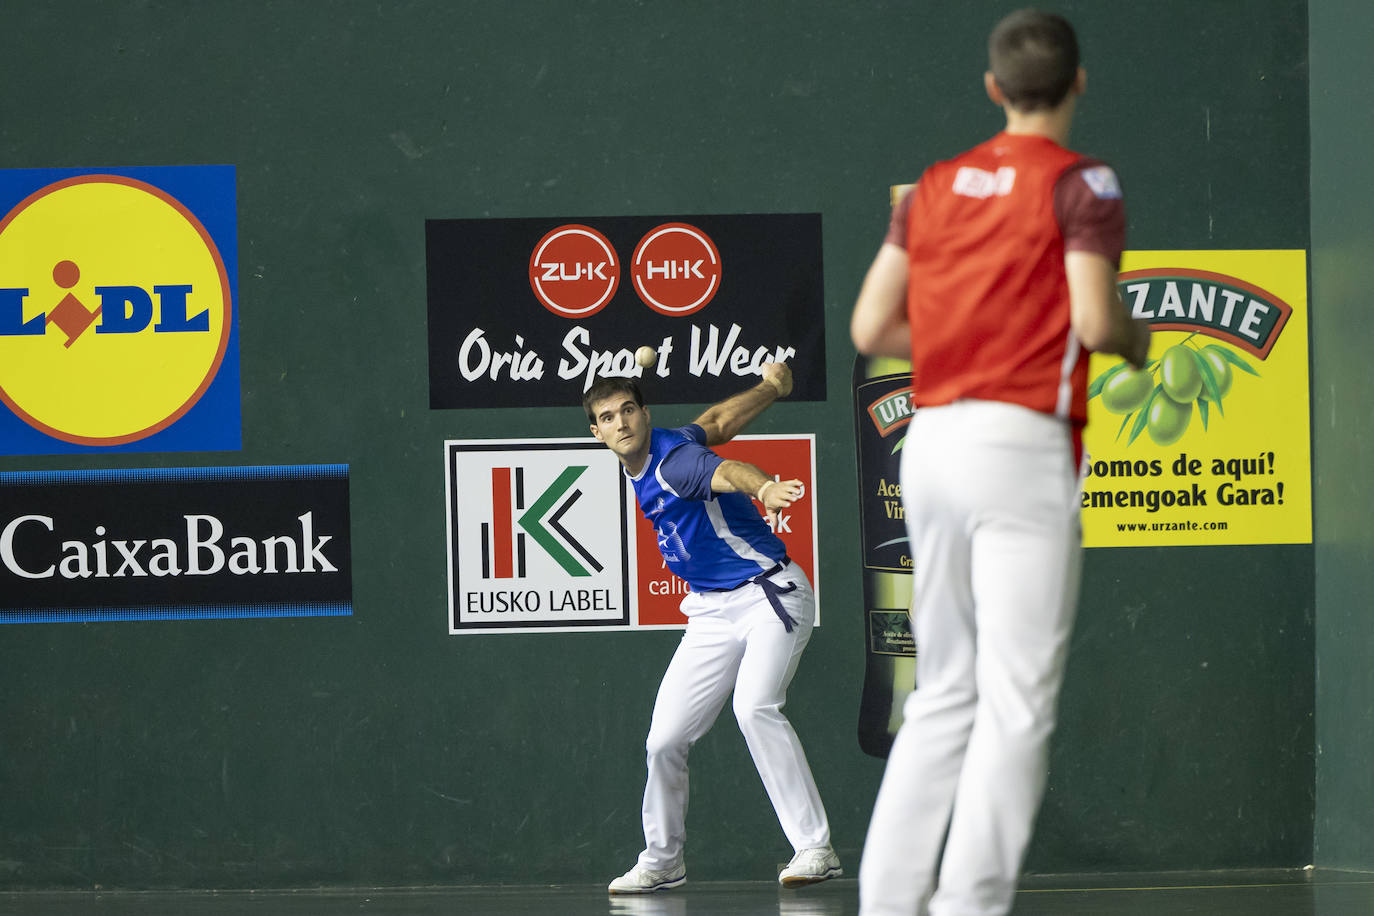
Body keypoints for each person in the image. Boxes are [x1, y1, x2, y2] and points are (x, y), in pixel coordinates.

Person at [848, 9, 1151, 916]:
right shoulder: (1084, 183)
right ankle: (969, 907)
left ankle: (888, 902)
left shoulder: (932, 188)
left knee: (942, 692)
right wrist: (1135, 341)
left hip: (931, 444)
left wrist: (952, 348)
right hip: (1022, 449)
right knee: (1016, 703)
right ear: (1080, 83)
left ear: (994, 90)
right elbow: (1096, 322)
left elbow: (871, 329)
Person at [584, 363, 841, 895]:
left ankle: (815, 848)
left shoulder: (675, 462)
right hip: (709, 612)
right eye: (609, 417)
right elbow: (719, 420)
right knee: (664, 740)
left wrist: (764, 487)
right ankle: (663, 860)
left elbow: (726, 469)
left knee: (754, 706)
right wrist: (771, 388)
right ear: (598, 433)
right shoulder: (666, 443)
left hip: (769, 594)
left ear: (645, 414)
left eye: (629, 411)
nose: (622, 423)